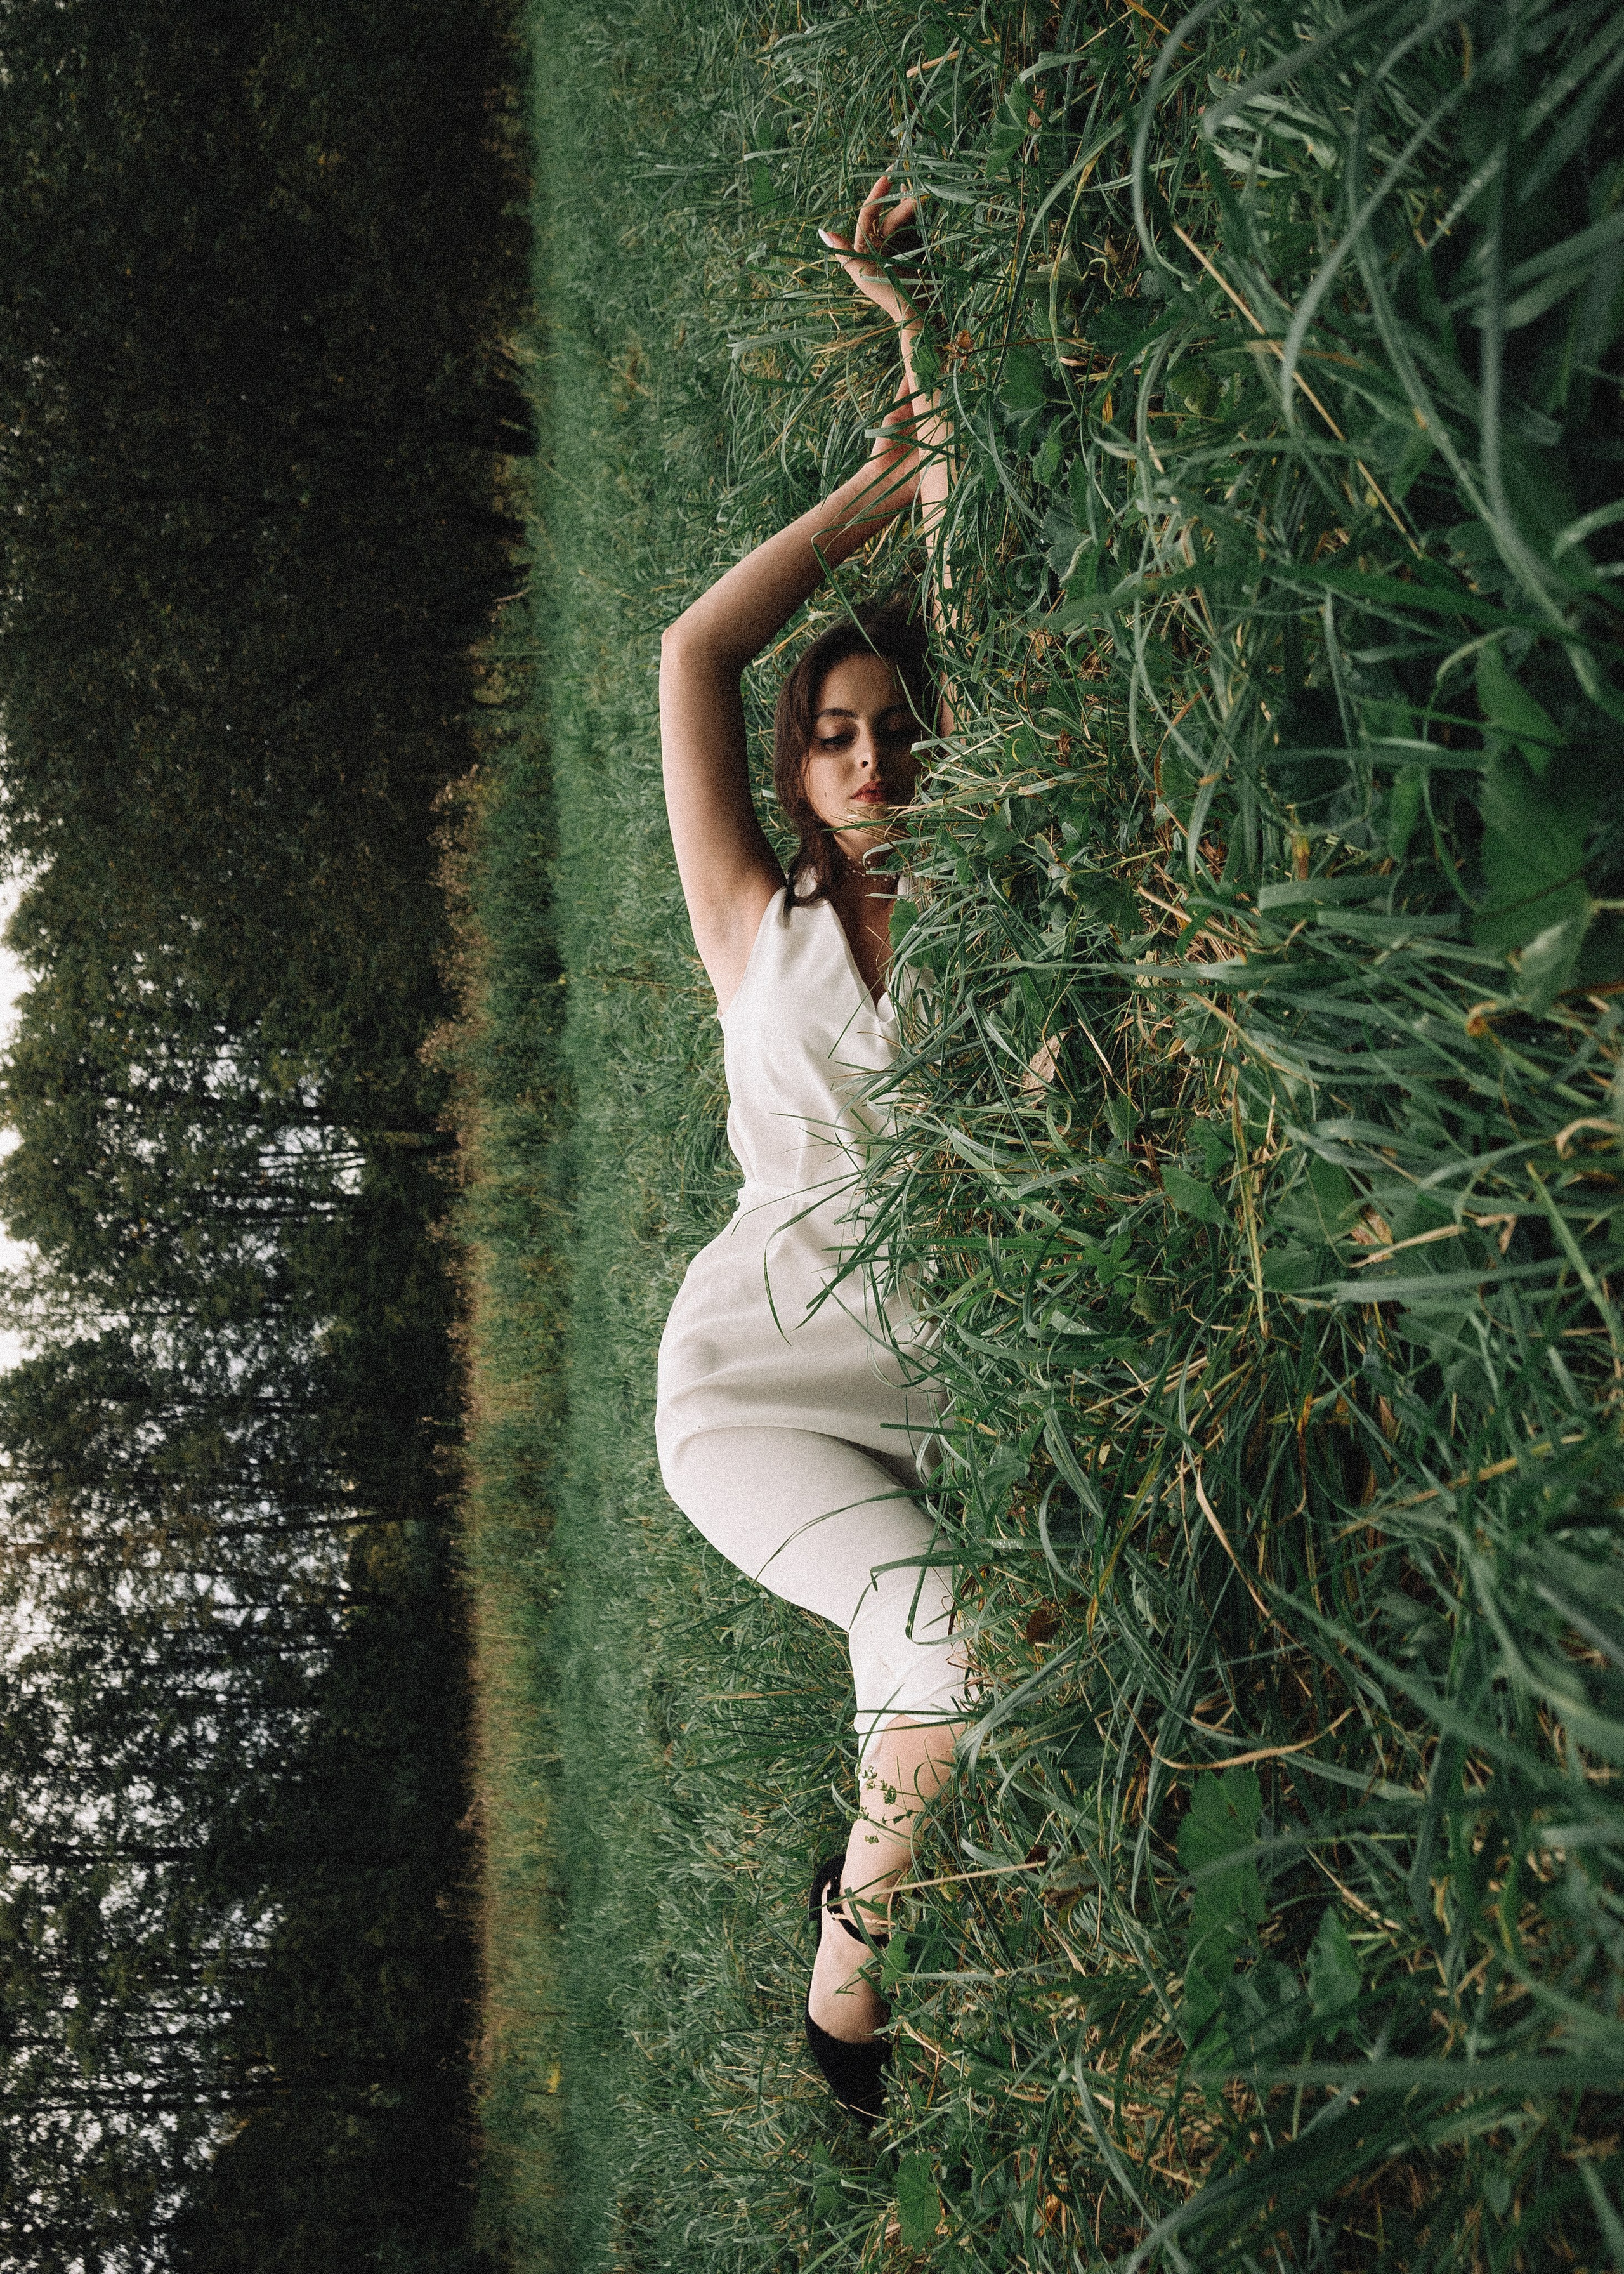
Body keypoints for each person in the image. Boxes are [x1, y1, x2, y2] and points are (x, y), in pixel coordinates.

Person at [655, 171, 960, 2126]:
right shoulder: (749, 921)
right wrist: (874, 475)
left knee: (927, 1624)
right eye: (833, 731)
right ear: (799, 771)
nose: (863, 753)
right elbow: (693, 657)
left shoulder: (1004, 907)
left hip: (942, 1360)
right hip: (751, 1372)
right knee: (945, 1635)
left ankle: (856, 1912)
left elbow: (980, 555)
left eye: (891, 723)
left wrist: (932, 353)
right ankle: (846, 1989)